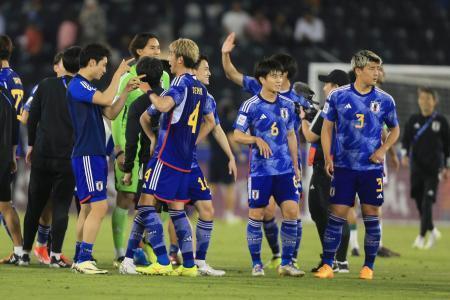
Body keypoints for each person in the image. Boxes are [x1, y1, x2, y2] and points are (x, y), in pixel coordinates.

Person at [123, 38, 212, 277]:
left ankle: (162, 260)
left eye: (171, 55)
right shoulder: (201, 88)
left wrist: (148, 91)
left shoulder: (180, 83)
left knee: (145, 205)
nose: (168, 60)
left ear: (180, 59)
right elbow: (208, 121)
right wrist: (189, 141)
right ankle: (190, 266)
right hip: (185, 159)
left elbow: (163, 105)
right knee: (176, 209)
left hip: (167, 156)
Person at [222, 32, 309, 269]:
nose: (279, 79)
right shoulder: (250, 103)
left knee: (292, 212)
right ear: (262, 79)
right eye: (274, 76)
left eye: (281, 75)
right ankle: (258, 263)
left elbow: (292, 136)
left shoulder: (290, 103)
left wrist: (297, 166)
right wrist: (254, 140)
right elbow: (237, 134)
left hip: (285, 170)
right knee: (259, 214)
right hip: (260, 170)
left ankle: (288, 263)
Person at [315, 50, 400, 280]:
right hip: (343, 167)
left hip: (371, 170)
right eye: (372, 69)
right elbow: (326, 128)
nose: (377, 73)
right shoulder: (338, 96)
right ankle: (327, 265)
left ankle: (368, 266)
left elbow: (395, 129)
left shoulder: (384, 99)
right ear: (358, 70)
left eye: (378, 68)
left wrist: (383, 151)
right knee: (337, 214)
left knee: (371, 214)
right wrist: (328, 156)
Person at [67, 43, 139, 274]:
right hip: (88, 153)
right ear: (91, 63)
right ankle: (85, 258)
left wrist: (126, 91)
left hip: (93, 153)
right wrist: (119, 75)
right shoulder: (77, 85)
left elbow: (110, 112)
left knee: (88, 209)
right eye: (104, 65)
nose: (105, 70)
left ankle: (80, 257)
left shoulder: (87, 87)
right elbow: (108, 98)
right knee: (98, 207)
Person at [110, 32, 170, 266]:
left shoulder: (164, 75)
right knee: (126, 198)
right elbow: (115, 116)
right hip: (128, 144)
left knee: (155, 200)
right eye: (153, 48)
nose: (157, 51)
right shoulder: (127, 77)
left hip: (155, 147)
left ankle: (145, 248)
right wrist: (118, 148)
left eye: (158, 47)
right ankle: (119, 252)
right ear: (139, 52)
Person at [23, 46, 82, 268]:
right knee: (60, 206)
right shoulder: (83, 89)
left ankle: (24, 253)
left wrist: (31, 145)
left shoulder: (45, 85)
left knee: (34, 206)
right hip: (68, 155)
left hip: (42, 153)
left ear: (62, 64)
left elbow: (31, 117)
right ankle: (55, 255)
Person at [299, 70, 351, 273]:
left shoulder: (331, 107)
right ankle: (334, 258)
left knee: (328, 212)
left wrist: (303, 118)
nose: (324, 87)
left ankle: (337, 260)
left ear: (336, 87)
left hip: (326, 167)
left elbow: (311, 136)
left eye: (328, 84)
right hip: (343, 166)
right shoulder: (350, 106)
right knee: (327, 212)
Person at [402, 87, 449, 249]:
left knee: (427, 202)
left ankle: (421, 236)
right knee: (418, 201)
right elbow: (405, 141)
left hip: (433, 170)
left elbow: (447, 147)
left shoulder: (441, 121)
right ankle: (432, 229)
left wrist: (446, 167)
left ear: (434, 101)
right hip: (416, 169)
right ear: (418, 100)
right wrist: (404, 155)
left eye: (428, 99)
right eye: (422, 98)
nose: (425, 102)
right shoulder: (413, 120)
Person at [0, 34, 25, 265]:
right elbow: (15, 120)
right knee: (5, 203)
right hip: (9, 144)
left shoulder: (0, 80)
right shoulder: (15, 78)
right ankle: (19, 251)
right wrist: (14, 151)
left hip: (3, 141)